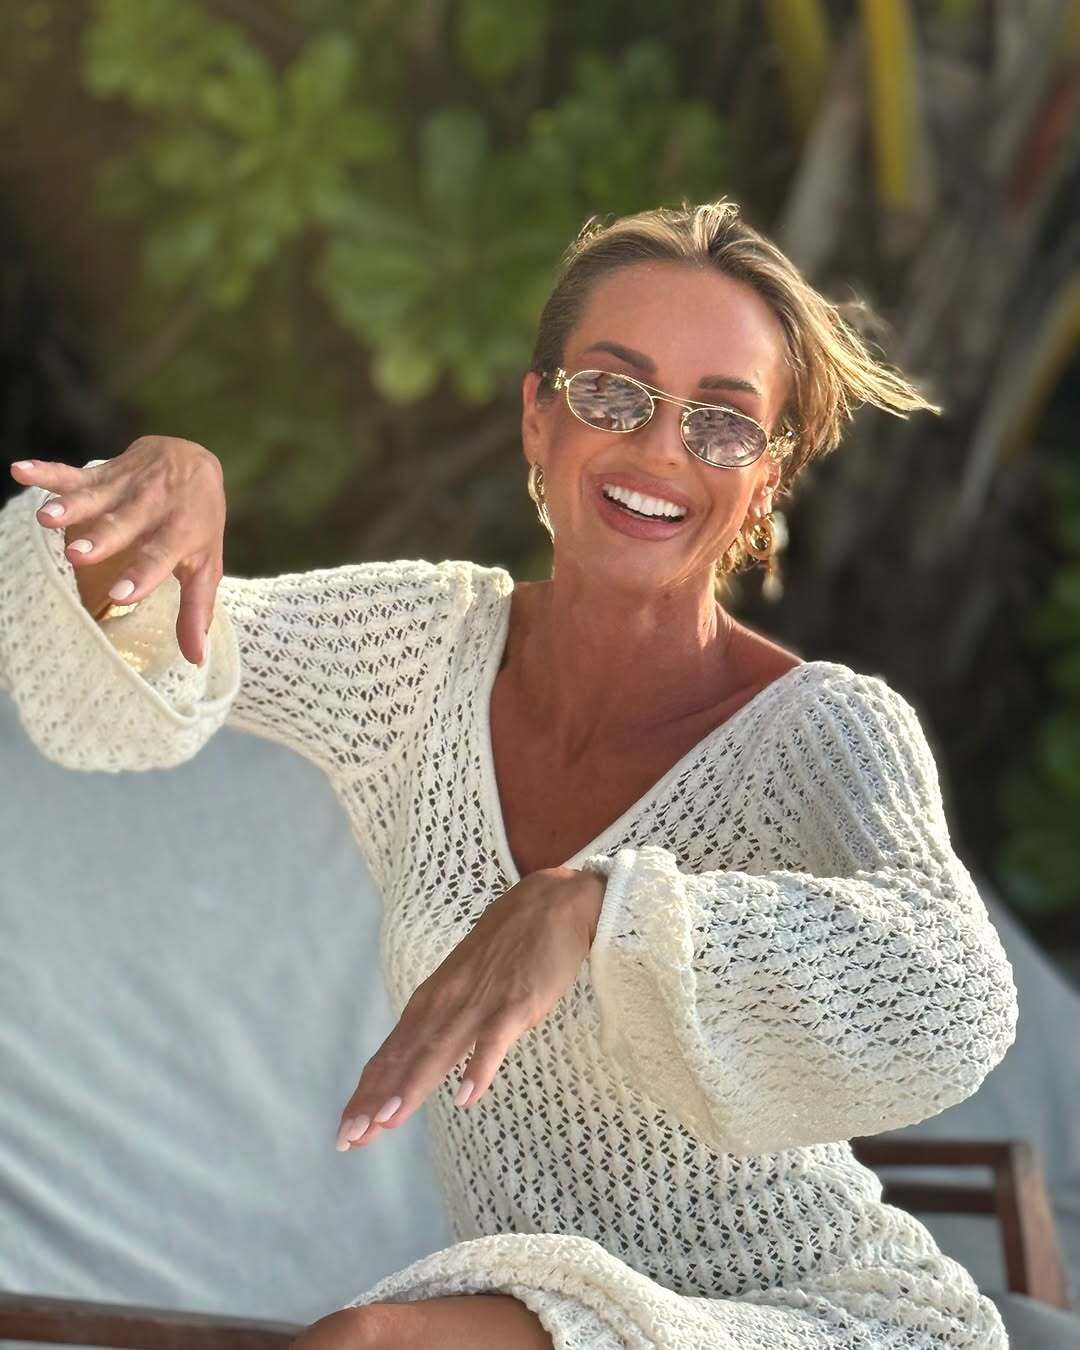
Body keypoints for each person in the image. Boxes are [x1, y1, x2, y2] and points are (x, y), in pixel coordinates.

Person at [1, 200, 1018, 1350]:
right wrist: (164, 488)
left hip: (826, 1319)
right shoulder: (420, 655)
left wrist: (597, 911)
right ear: (539, 416)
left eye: (724, 422)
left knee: (367, 1344)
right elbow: (158, 648)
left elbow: (954, 998)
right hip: (548, 1307)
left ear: (767, 479)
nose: (661, 448)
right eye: (614, 393)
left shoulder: (823, 730)